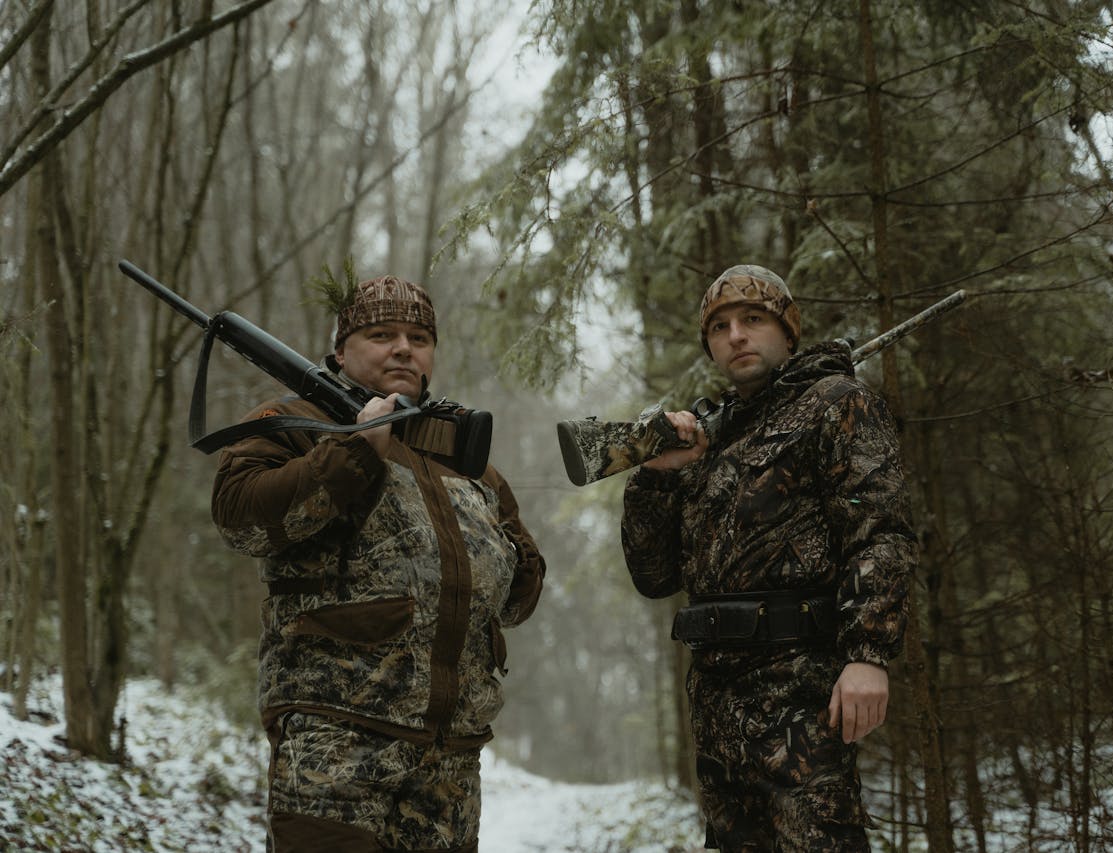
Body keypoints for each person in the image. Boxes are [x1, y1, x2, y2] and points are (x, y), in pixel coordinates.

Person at [211, 270, 545, 853]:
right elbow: (240, 518)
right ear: (341, 351)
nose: (403, 348)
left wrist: (509, 565)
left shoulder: (464, 456)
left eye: (418, 338)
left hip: (452, 759)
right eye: (382, 334)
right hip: (335, 745)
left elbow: (520, 593)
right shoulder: (296, 423)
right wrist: (353, 451)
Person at [620, 264, 917, 851]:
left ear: (787, 331)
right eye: (721, 326)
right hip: (716, 705)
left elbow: (879, 531)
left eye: (753, 319)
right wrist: (654, 478)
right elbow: (655, 577)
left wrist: (868, 655)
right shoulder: (706, 439)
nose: (736, 335)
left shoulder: (837, 402)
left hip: (801, 696)